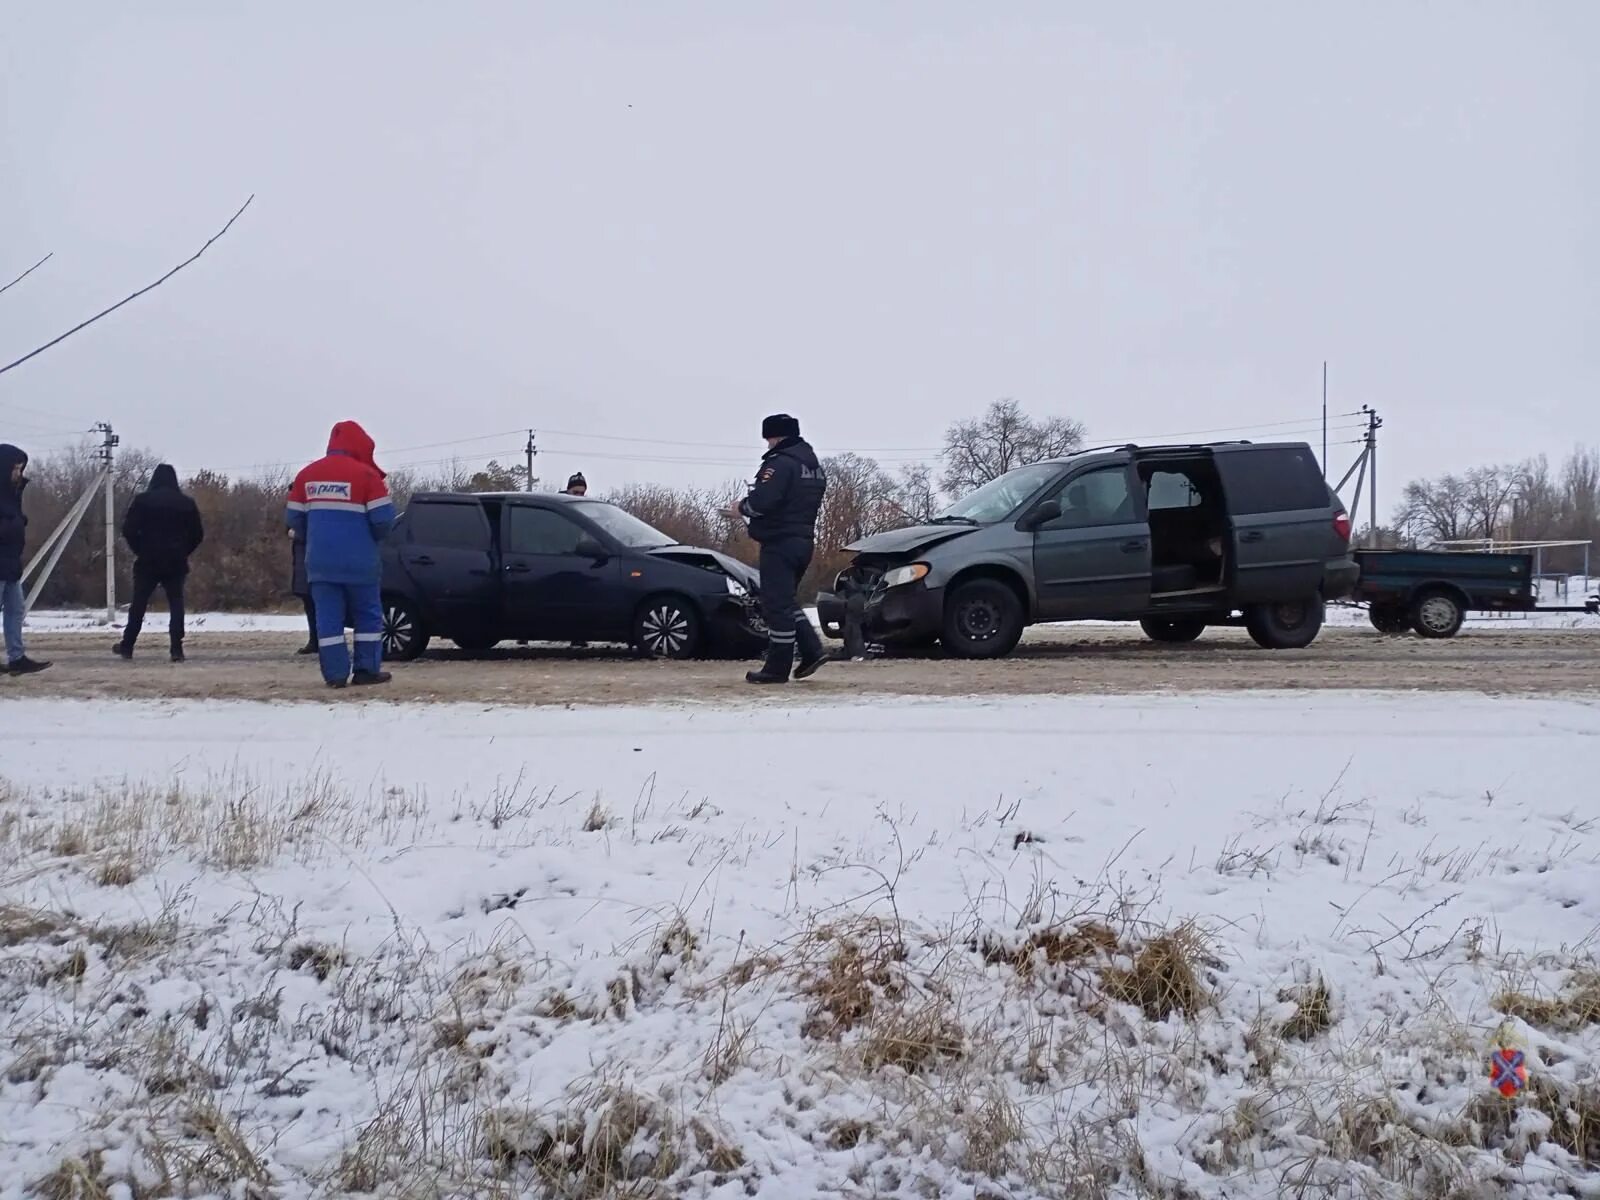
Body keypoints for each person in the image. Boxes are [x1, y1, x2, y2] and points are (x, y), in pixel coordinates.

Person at [287, 421, 395, 688]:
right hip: (361, 564)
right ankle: (366, 670)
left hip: (321, 564)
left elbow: (293, 519)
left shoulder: (305, 476)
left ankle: (335, 675)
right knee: (367, 616)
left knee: (328, 620)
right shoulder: (368, 477)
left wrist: (315, 536)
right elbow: (383, 522)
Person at [734, 414, 828, 684]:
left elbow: (763, 501)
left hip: (779, 542)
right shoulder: (812, 465)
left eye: (768, 438)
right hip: (803, 541)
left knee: (776, 605)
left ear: (776, 437)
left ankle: (777, 667)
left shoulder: (780, 464)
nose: (767, 445)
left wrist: (740, 509)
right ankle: (812, 650)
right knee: (785, 601)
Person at [115, 464, 204, 662]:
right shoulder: (186, 504)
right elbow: (197, 535)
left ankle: (128, 645)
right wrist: (183, 551)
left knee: (139, 603)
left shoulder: (143, 501)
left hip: (148, 559)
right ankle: (176, 648)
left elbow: (128, 530)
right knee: (176, 602)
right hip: (176, 560)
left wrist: (139, 549)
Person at [0, 443, 49, 675]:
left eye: (20, 469)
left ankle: (16, 657)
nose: (19, 474)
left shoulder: (11, 496)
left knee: (16, 610)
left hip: (10, 564)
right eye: (15, 469)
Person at [289, 529, 317, 654]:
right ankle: (315, 640)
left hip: (310, 556)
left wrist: (297, 533)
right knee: (310, 603)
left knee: (315, 604)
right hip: (305, 557)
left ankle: (317, 640)